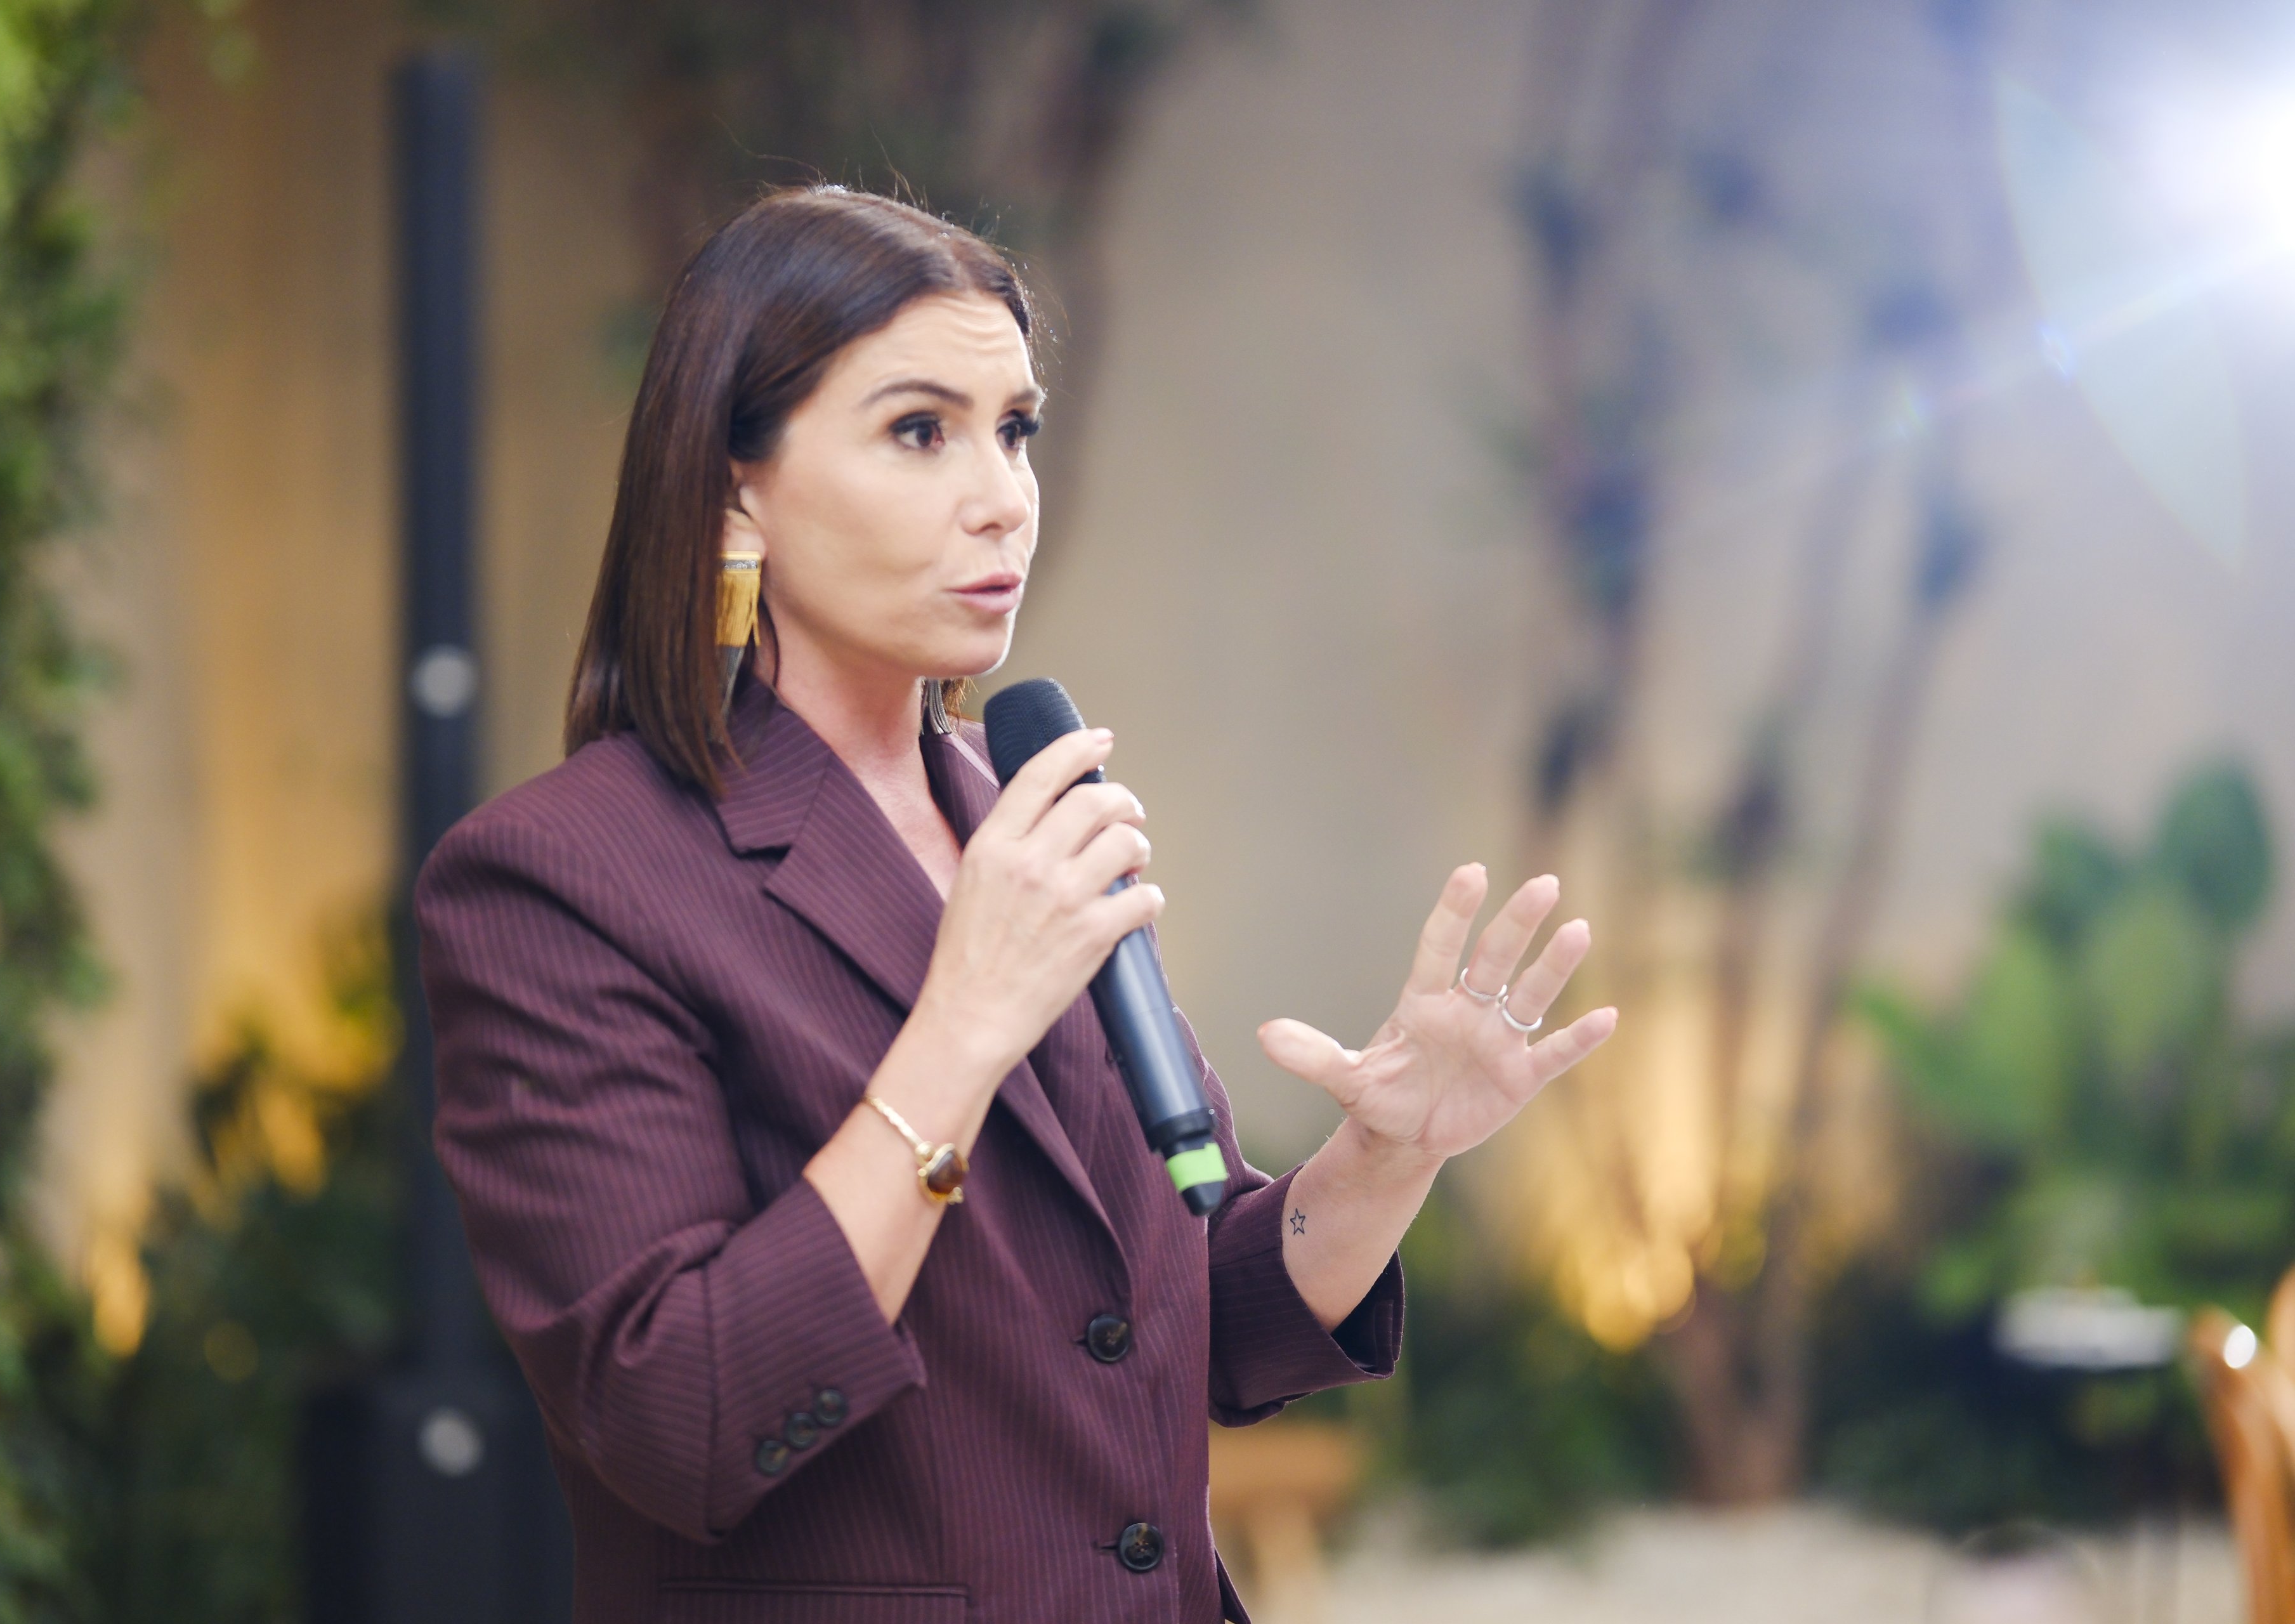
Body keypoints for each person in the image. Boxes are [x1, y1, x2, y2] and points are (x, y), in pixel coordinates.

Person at [415, 185, 1616, 1624]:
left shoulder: (1022, 794)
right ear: (738, 481)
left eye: (1015, 428)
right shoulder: (563, 876)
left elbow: (1191, 1325)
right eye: (920, 431)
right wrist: (961, 1024)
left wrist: (1385, 1156)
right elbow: (686, 1416)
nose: (1000, 493)